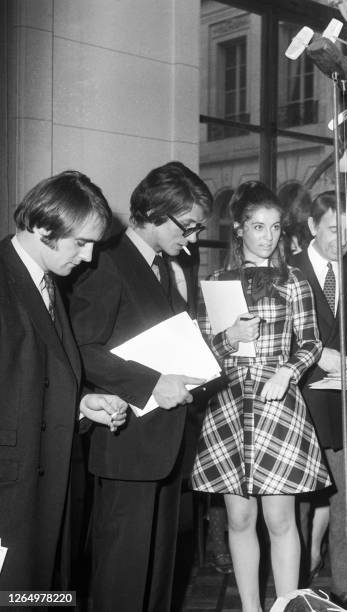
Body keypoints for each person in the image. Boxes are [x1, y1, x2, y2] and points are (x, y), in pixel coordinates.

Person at [68, 161, 212, 612]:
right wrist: (153, 384)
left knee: (158, 576)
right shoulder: (106, 262)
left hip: (165, 444)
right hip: (125, 445)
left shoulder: (165, 267)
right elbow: (81, 348)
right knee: (122, 579)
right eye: (186, 226)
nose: (190, 239)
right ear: (153, 211)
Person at [191, 181, 330, 612]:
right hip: (230, 407)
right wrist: (229, 338)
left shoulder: (295, 281)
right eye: (257, 227)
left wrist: (288, 372)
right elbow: (204, 352)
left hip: (278, 404)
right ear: (239, 229)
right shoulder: (215, 283)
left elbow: (311, 344)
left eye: (273, 227)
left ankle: (288, 606)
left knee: (280, 519)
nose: (267, 237)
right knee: (239, 518)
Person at [0, 171, 127, 590]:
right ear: (42, 227)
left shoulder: (50, 286)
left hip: (50, 489)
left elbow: (32, 378)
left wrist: (79, 404)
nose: (89, 257)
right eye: (81, 243)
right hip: (10, 501)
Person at [291, 191, 347, 610]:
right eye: (332, 230)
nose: (341, 240)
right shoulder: (287, 272)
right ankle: (295, 590)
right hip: (301, 404)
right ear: (312, 226)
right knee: (299, 507)